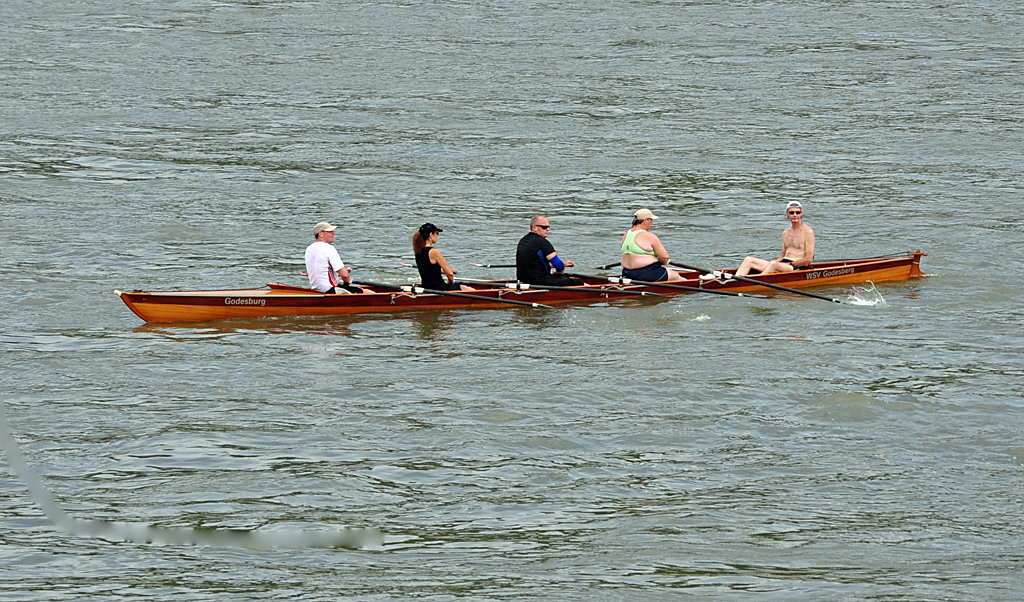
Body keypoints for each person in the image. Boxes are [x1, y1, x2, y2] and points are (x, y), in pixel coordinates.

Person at [735, 201, 815, 277]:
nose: (795, 215)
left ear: (801, 214)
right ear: (787, 214)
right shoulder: (786, 232)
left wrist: (790, 264)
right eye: (791, 213)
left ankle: (755, 282)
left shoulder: (808, 232)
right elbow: (783, 255)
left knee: (773, 264)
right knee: (749, 260)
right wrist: (775, 262)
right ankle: (732, 282)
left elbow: (808, 258)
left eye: (797, 212)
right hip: (782, 264)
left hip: (796, 267)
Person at [515, 216, 582, 286]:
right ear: (534, 228)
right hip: (539, 281)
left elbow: (535, 264)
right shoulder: (542, 242)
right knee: (578, 282)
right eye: (544, 227)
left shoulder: (523, 240)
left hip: (523, 281)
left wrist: (564, 264)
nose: (548, 229)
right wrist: (560, 272)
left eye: (548, 227)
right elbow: (558, 265)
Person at [620, 208, 683, 282]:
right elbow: (665, 257)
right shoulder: (648, 236)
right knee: (677, 276)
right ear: (645, 221)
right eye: (651, 220)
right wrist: (664, 262)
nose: (652, 223)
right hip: (647, 274)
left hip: (627, 273)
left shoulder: (627, 234)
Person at [412, 223, 475, 291]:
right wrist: (452, 281)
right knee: (472, 291)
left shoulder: (418, 251)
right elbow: (450, 274)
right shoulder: (434, 252)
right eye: (437, 234)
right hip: (439, 288)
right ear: (431, 234)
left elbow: (429, 270)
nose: (437, 236)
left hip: (426, 287)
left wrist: (445, 272)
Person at [305, 221, 363, 293]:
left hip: (316, 290)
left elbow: (322, 270)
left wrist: (340, 273)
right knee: (368, 292)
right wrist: (347, 281)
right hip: (329, 290)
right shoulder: (328, 248)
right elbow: (344, 275)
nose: (334, 233)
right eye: (330, 231)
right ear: (321, 234)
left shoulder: (309, 248)